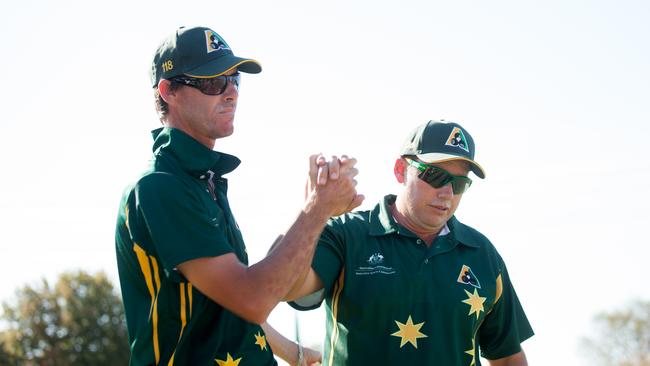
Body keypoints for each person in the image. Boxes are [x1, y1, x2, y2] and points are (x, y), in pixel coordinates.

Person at [114, 25, 363, 366]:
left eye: (235, 80)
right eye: (213, 82)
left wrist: (296, 353)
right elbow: (252, 298)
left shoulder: (202, 181)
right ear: (168, 90)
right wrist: (317, 209)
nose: (230, 92)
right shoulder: (160, 187)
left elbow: (228, 301)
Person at [286, 120, 534, 365]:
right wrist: (314, 212)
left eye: (459, 184)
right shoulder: (347, 234)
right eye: (435, 175)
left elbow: (508, 356)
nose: (447, 192)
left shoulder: (482, 253)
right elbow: (288, 288)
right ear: (400, 170)